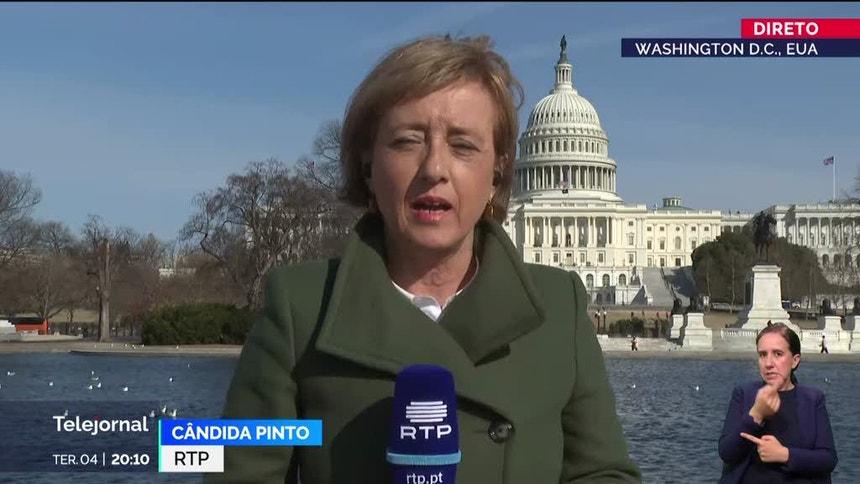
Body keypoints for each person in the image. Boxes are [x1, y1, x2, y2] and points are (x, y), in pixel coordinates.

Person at [206, 34, 641, 483]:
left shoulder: (559, 306)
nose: (434, 169)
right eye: (407, 141)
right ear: (368, 166)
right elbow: (232, 471)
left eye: (463, 145)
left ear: (497, 172)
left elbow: (604, 474)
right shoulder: (300, 306)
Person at [717, 323, 837, 483]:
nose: (768, 363)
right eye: (762, 355)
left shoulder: (813, 399)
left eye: (778, 354)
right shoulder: (744, 393)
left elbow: (828, 459)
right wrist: (756, 414)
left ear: (795, 360)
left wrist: (784, 455)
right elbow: (727, 453)